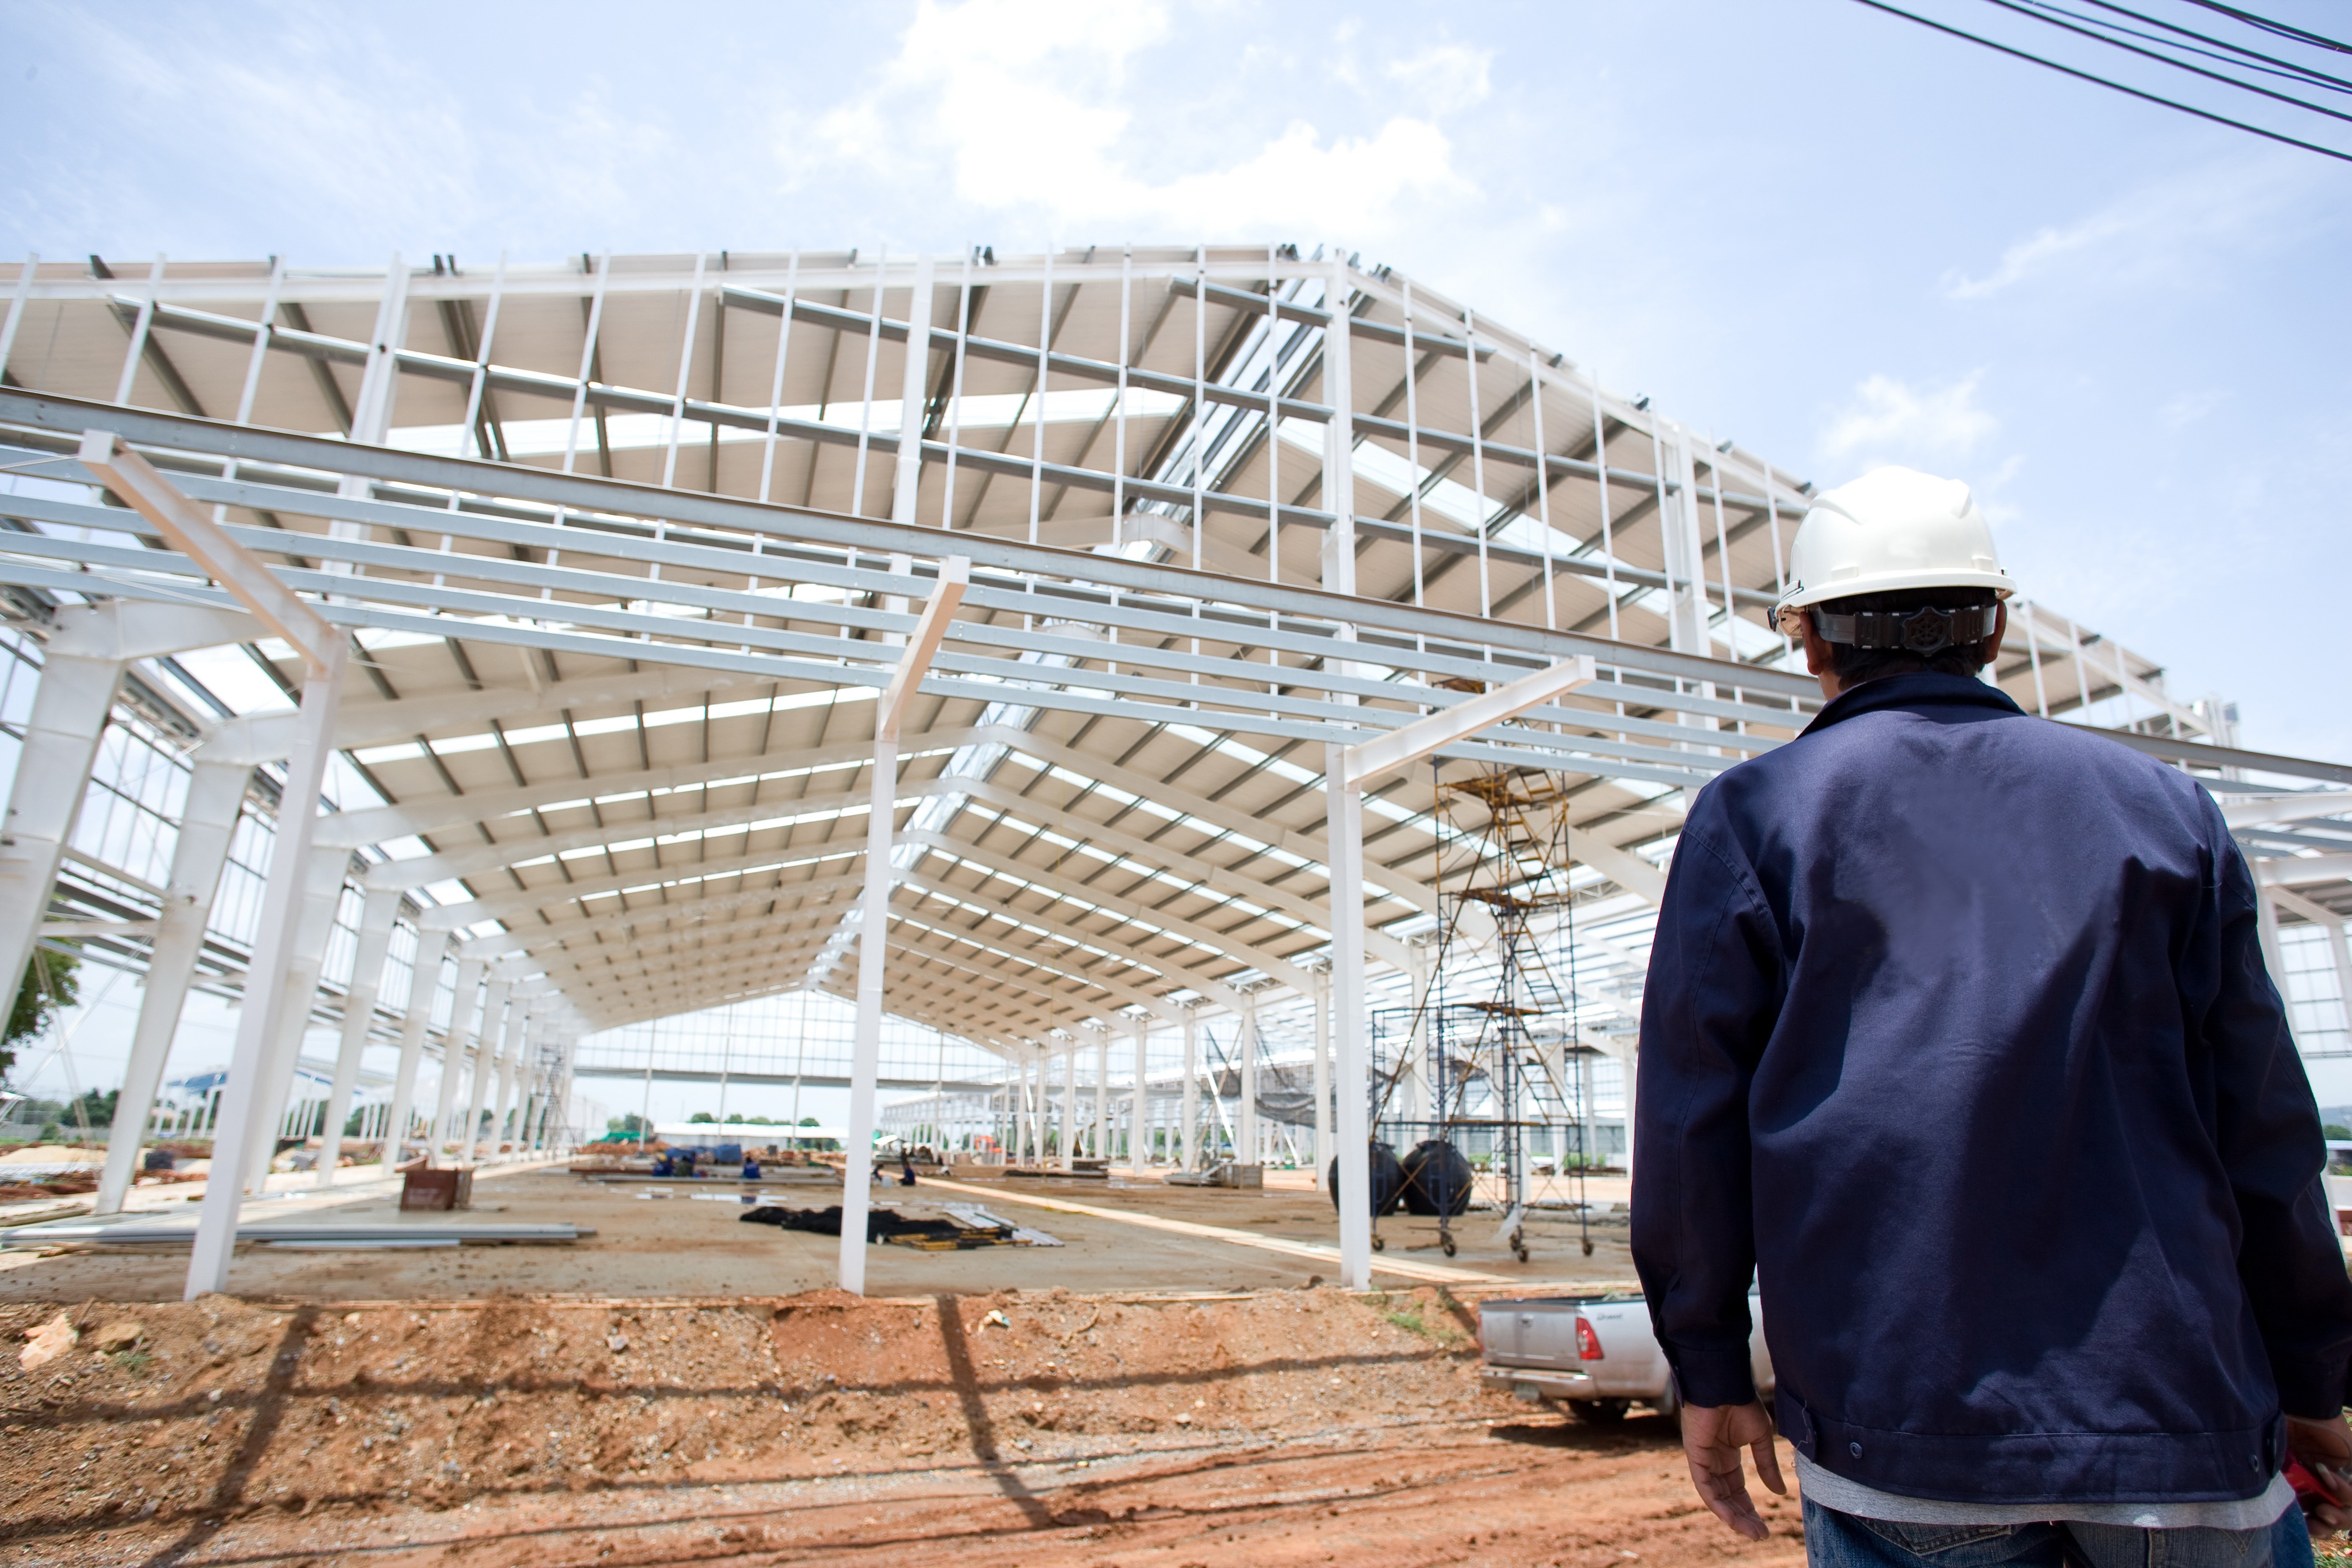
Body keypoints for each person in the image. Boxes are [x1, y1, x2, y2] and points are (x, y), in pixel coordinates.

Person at [1628, 466, 2352, 1568]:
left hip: (1904, 1435)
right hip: (2181, 1423)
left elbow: (1691, 1128)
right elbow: (2264, 1129)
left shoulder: (1760, 817)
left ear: (1811, 641)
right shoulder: (2166, 812)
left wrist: (1712, 1366)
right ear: (1998, 627)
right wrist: (2312, 1372)